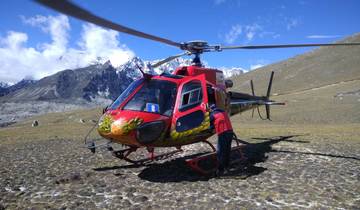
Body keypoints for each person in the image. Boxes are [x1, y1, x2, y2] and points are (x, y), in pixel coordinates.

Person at [210, 104, 234, 176]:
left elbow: (209, 125)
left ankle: (220, 170)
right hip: (230, 132)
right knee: (227, 150)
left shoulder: (213, 115)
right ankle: (227, 167)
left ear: (211, 109)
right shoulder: (224, 113)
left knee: (220, 151)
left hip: (223, 133)